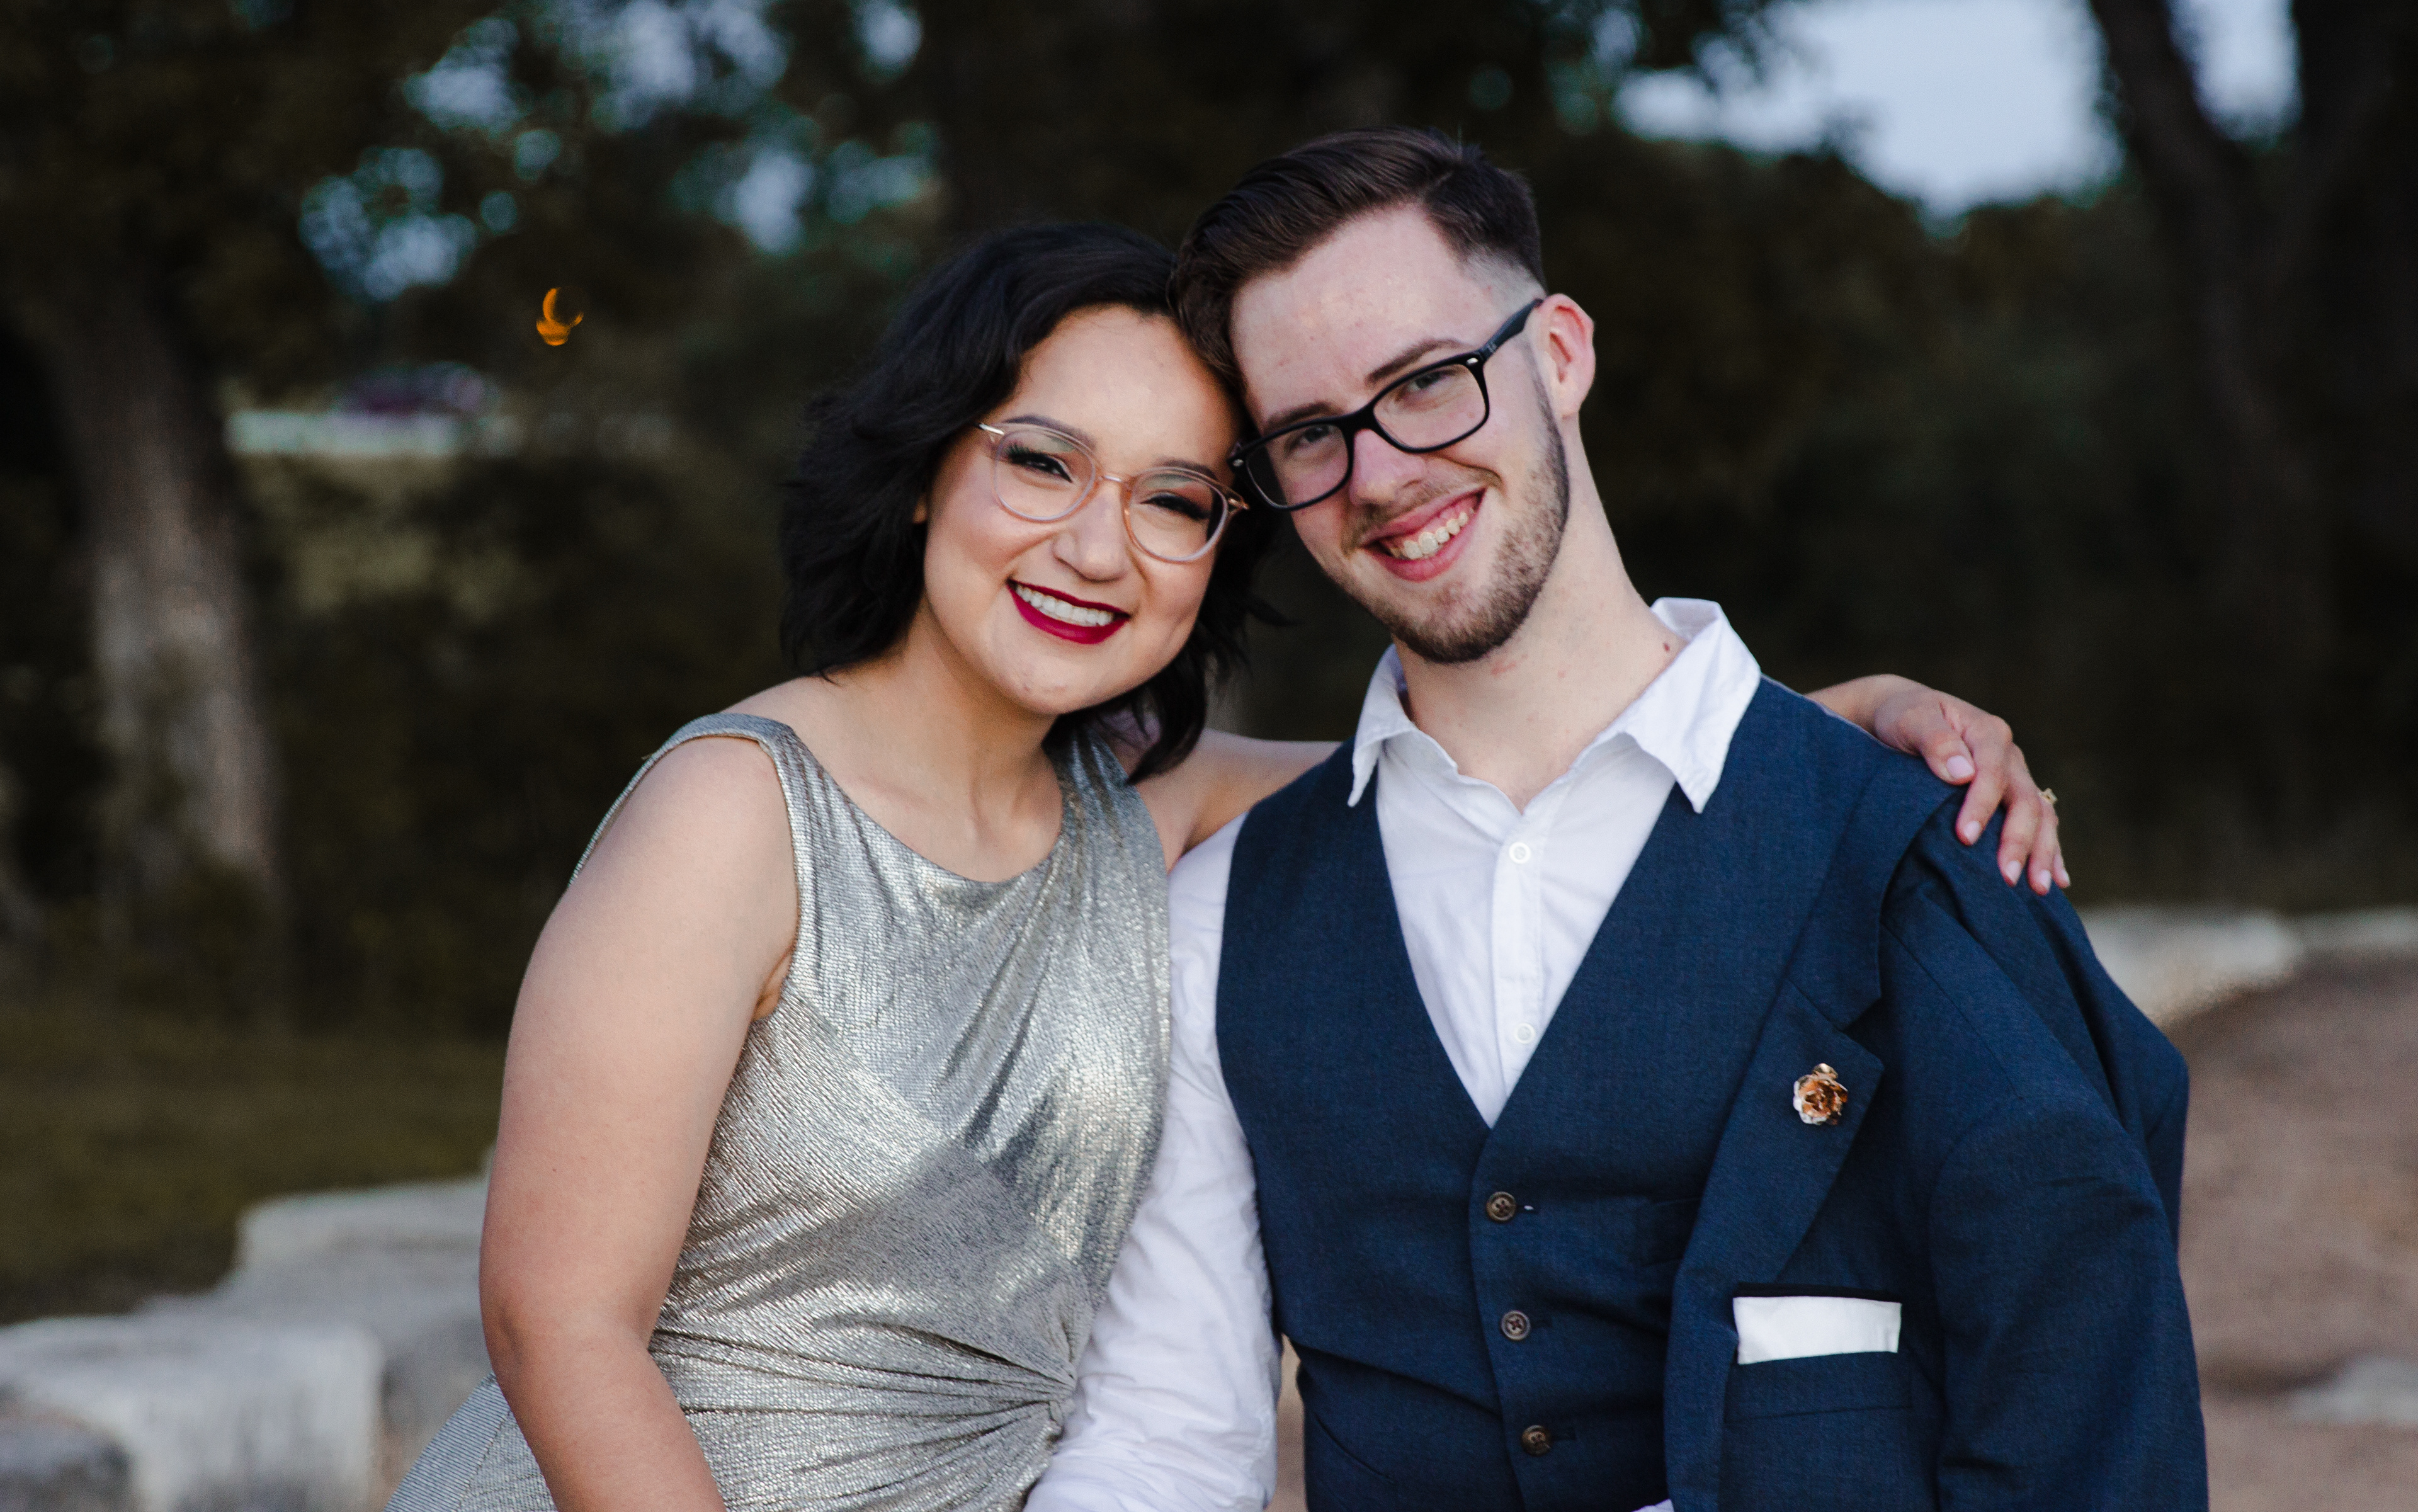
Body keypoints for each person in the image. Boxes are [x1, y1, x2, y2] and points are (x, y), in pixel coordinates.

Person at [388, 222, 2060, 1512]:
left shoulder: (1150, 808)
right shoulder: (738, 811)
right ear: (925, 472)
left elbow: (1536, 772)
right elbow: (558, 1322)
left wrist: (1833, 719)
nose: (1097, 547)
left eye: (1174, 499)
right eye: (1041, 461)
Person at [1029, 130, 2202, 1512]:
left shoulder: (1912, 852)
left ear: (1560, 354)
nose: (1381, 473)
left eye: (1428, 381)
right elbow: (1164, 1440)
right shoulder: (1221, 918)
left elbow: (2092, 1416)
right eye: (1309, 435)